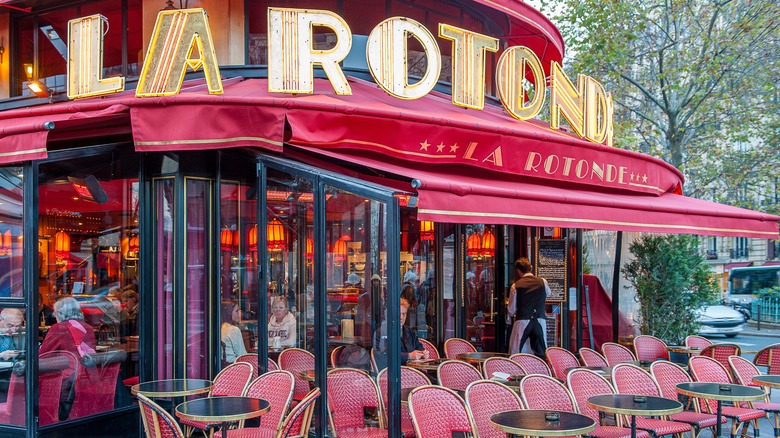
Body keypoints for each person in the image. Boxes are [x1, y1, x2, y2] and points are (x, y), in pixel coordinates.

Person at [507, 257, 551, 355]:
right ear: (530, 267)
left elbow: (511, 310)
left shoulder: (516, 285)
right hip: (539, 319)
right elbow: (548, 293)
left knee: (516, 351)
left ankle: (517, 369)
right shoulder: (542, 282)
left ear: (518, 271)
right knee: (541, 351)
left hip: (522, 320)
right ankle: (541, 369)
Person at [373, 297, 429, 370]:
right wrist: (408, 356)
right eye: (398, 314)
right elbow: (384, 356)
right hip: (391, 374)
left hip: (412, 373)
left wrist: (423, 353)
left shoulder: (409, 331)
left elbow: (419, 347)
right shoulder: (381, 332)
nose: (401, 317)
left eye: (404, 314)